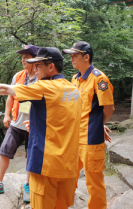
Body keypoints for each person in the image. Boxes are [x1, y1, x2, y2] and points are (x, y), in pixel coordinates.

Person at [0, 47, 82, 209]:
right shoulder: (73, 89)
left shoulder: (45, 87)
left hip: (46, 166)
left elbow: (6, 90)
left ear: (51, 67)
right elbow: (68, 121)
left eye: (38, 65)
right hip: (69, 166)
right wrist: (40, 124)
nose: (35, 69)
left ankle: (0, 182)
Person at [0, 45, 39, 202]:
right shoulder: (18, 76)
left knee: (31, 156)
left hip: (34, 125)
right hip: (17, 123)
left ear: (35, 59)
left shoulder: (42, 77)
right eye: (22, 57)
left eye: (27, 57)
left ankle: (29, 185)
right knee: (4, 151)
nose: (23, 60)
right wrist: (6, 115)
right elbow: (10, 96)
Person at [62, 41, 115, 209]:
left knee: (93, 182)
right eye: (70, 56)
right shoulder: (75, 78)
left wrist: (99, 124)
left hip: (91, 138)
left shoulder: (99, 78)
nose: (71, 59)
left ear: (86, 57)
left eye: (74, 56)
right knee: (69, 176)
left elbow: (109, 107)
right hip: (74, 137)